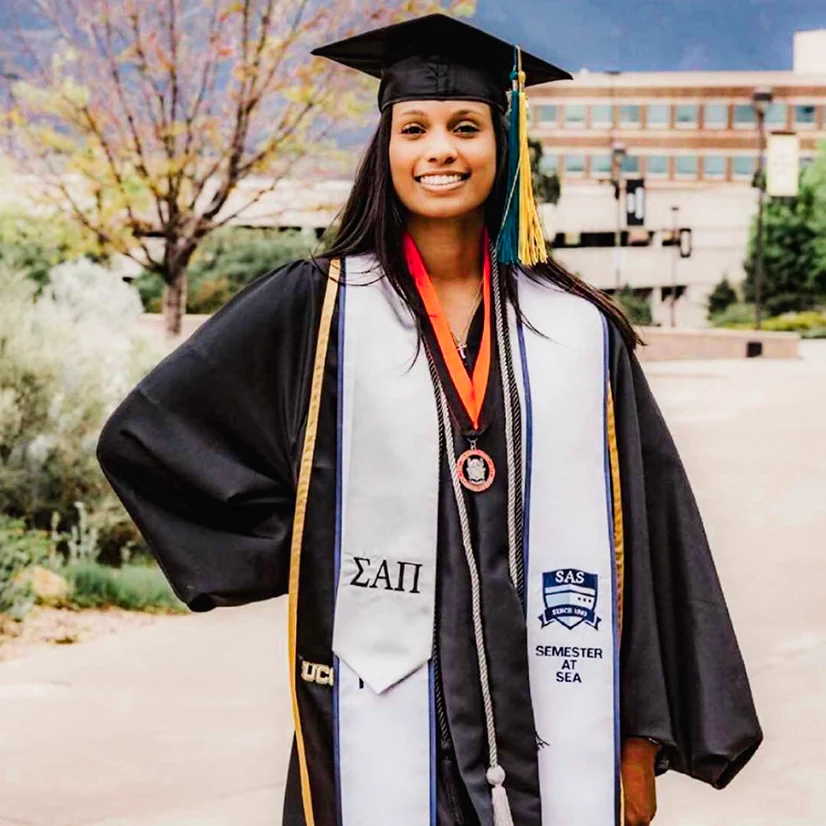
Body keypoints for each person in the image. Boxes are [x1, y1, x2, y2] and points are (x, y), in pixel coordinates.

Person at [97, 13, 762, 826]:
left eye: (465, 127)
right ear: (386, 147)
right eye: (413, 127)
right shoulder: (324, 307)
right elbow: (148, 439)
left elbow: (650, 541)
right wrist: (310, 543)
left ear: (504, 144)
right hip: (383, 712)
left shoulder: (577, 333)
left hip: (550, 714)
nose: (439, 150)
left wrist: (639, 742)